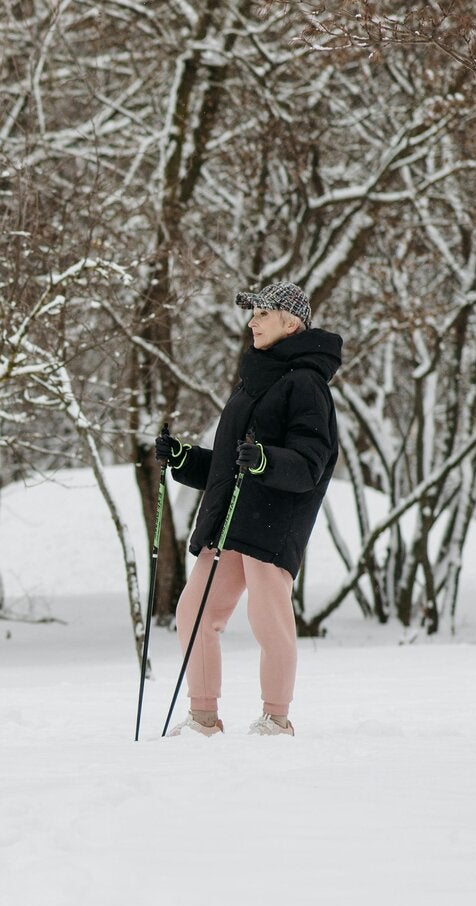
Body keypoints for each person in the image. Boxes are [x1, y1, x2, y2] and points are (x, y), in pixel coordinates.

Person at [153, 281, 344, 737]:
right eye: (253, 312)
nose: (252, 321)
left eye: (262, 312)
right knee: (193, 611)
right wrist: (184, 459)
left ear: (291, 322)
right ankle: (203, 718)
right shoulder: (253, 381)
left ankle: (276, 718)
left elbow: (311, 464)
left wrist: (265, 461)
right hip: (229, 520)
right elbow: (229, 466)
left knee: (268, 620)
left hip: (273, 524)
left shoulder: (307, 384)